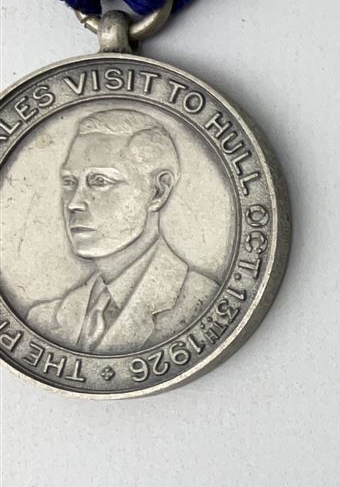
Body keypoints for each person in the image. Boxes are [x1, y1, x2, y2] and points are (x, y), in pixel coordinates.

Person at [25, 109, 218, 353]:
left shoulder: (204, 304)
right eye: (69, 182)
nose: (74, 202)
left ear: (158, 191)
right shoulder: (43, 318)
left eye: (100, 181)